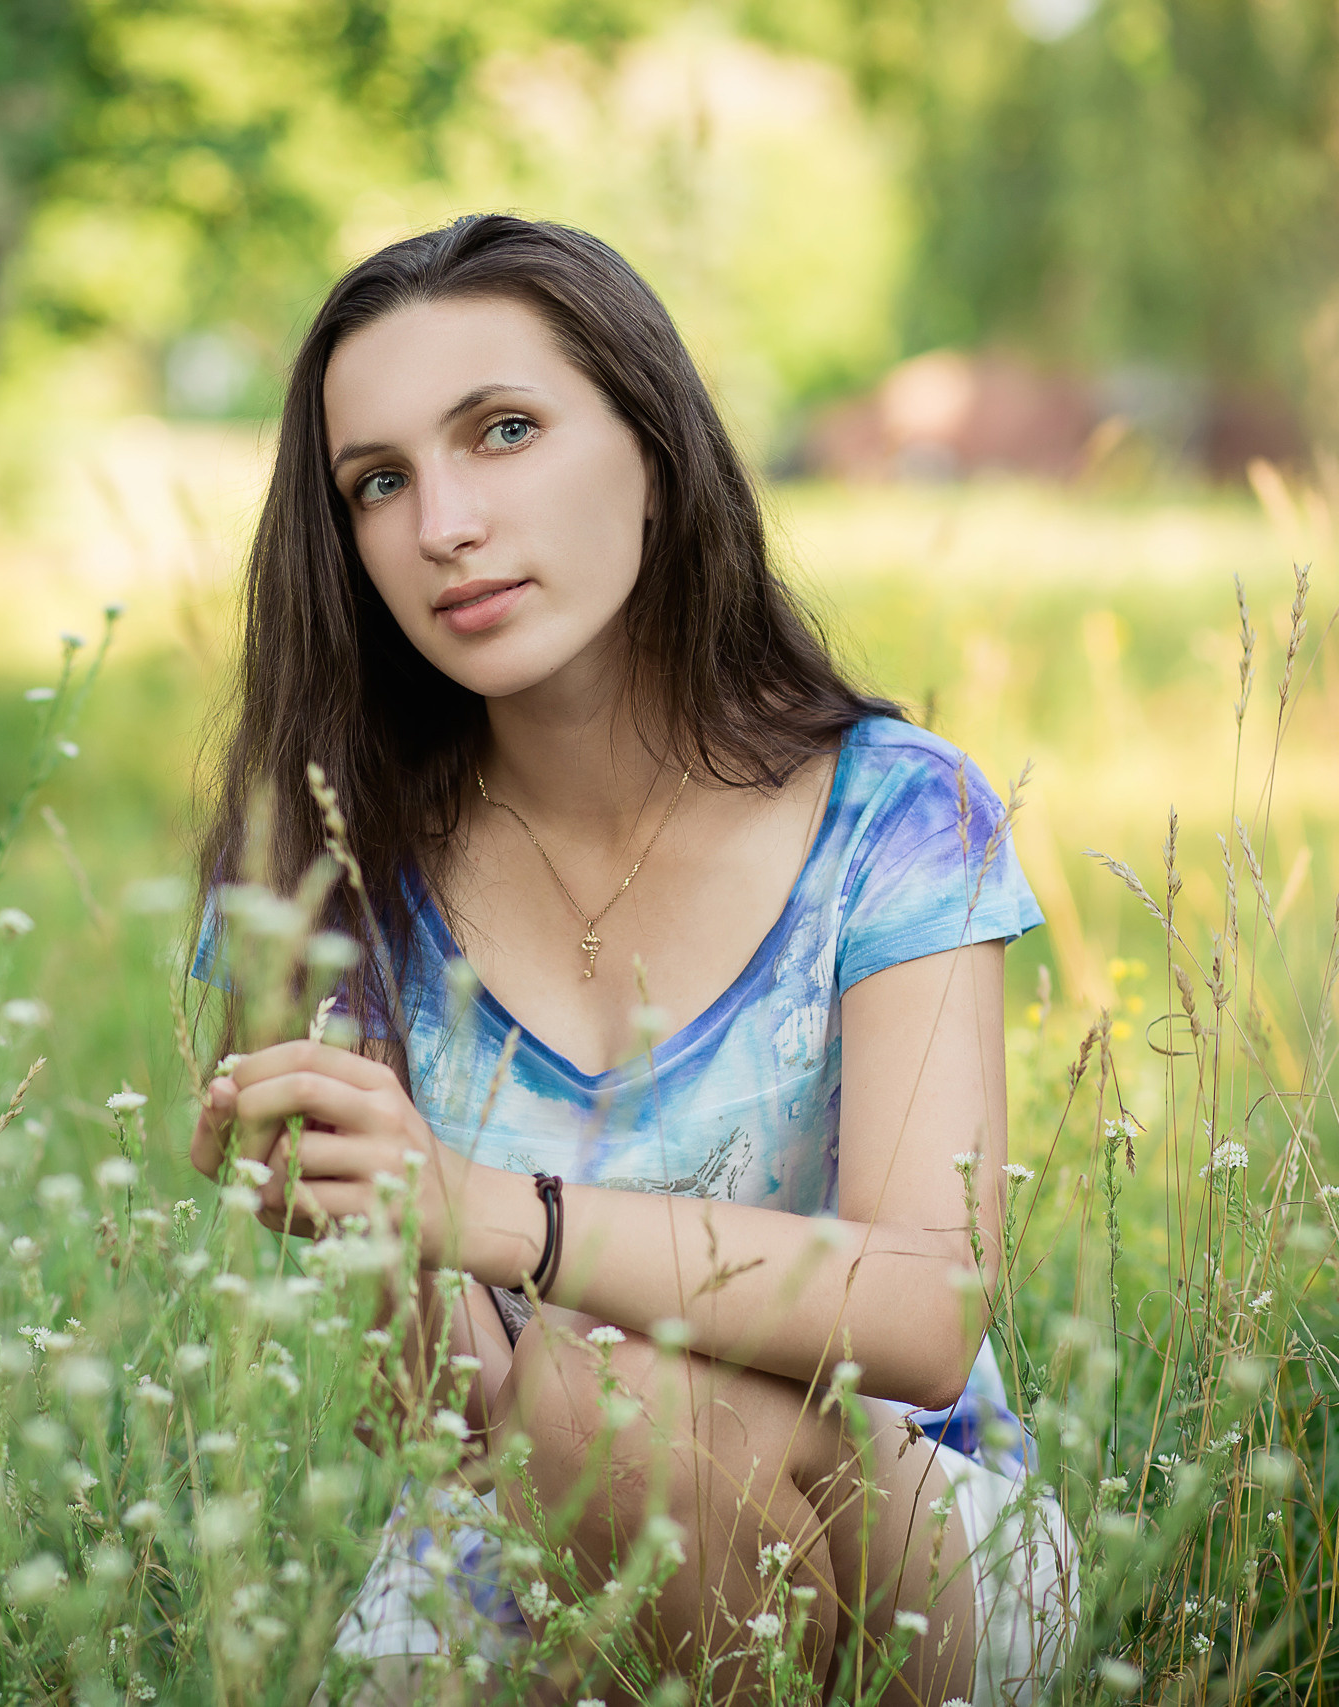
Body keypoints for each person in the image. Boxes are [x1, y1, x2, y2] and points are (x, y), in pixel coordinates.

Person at [187, 214, 1074, 1706]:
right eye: (379, 483)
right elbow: (461, 1428)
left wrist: (478, 1207)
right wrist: (366, 1225)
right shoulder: (332, 872)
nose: (443, 525)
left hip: (906, 1527)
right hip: (531, 1533)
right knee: (579, 1414)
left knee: (611, 1390)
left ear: (653, 446)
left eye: (506, 432)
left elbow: (924, 1316)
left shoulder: (895, 813)